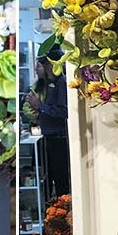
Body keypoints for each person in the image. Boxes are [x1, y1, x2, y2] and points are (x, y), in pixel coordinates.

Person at [26, 46, 71, 198]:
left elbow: (65, 112)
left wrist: (41, 107)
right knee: (47, 179)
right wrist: (39, 112)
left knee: (61, 182)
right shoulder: (51, 85)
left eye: (43, 65)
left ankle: (62, 214)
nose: (41, 69)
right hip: (49, 140)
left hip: (59, 140)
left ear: (51, 65)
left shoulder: (62, 83)